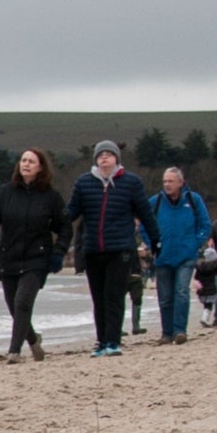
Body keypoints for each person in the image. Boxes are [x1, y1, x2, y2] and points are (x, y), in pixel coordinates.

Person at [0, 148, 70, 361]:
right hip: (9, 257)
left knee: (23, 302)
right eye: (23, 160)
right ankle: (33, 340)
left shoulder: (51, 197)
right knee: (15, 307)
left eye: (31, 161)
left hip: (37, 258)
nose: (26, 164)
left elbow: (66, 228)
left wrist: (58, 253)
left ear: (41, 167)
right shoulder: (4, 193)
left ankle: (14, 351)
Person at [66, 141, 154, 356]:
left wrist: (156, 240)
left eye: (109, 155)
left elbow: (145, 214)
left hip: (120, 249)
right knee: (98, 298)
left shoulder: (131, 182)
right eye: (101, 155)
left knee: (114, 296)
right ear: (95, 159)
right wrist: (51, 221)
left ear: (117, 159)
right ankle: (101, 341)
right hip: (93, 249)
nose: (105, 158)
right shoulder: (84, 182)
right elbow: (71, 213)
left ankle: (113, 342)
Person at [143, 165, 212, 344]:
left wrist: (195, 244)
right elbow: (143, 224)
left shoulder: (194, 200)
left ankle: (180, 330)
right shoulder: (155, 202)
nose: (167, 184)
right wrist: (152, 243)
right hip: (163, 256)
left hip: (186, 256)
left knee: (181, 292)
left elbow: (205, 225)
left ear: (181, 183)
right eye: (165, 181)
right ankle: (167, 333)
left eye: (171, 181)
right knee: (165, 297)